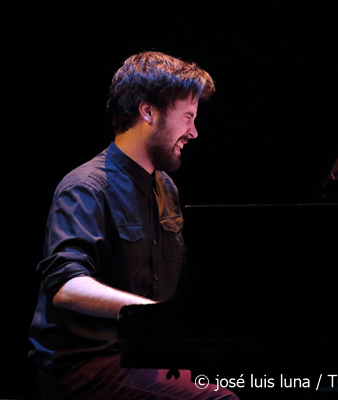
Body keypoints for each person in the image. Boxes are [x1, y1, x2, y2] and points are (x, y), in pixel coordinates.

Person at [29, 51, 237, 400]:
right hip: (85, 368)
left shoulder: (165, 187)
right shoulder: (86, 187)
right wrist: (155, 315)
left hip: (147, 356)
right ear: (148, 112)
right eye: (187, 117)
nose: (193, 132)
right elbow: (66, 285)